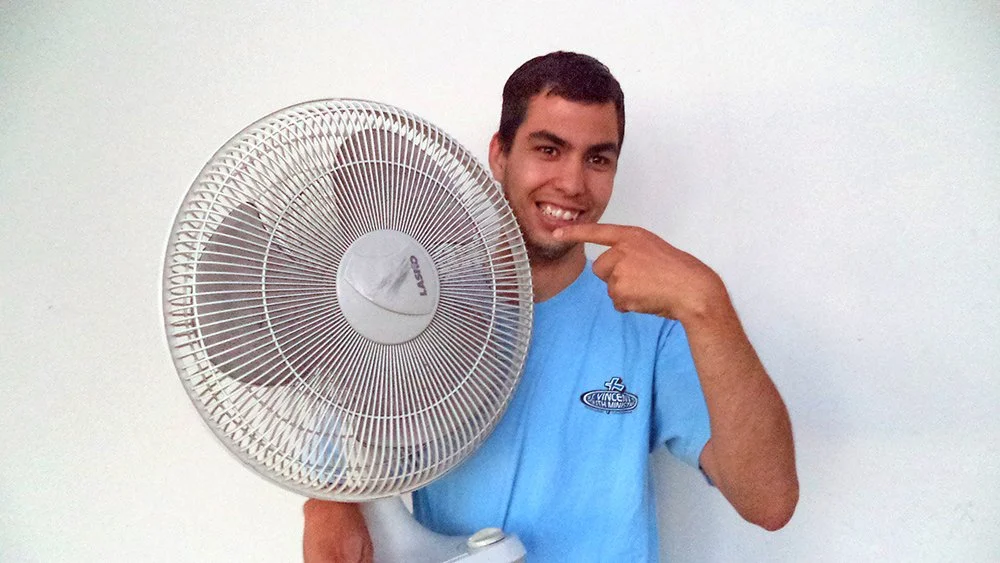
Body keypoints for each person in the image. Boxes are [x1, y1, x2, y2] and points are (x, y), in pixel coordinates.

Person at [303, 51, 798, 562]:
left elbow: (769, 502)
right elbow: (339, 464)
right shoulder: (407, 311)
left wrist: (708, 304)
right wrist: (326, 506)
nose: (573, 183)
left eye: (598, 158)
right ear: (500, 155)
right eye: (549, 149)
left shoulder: (655, 323)